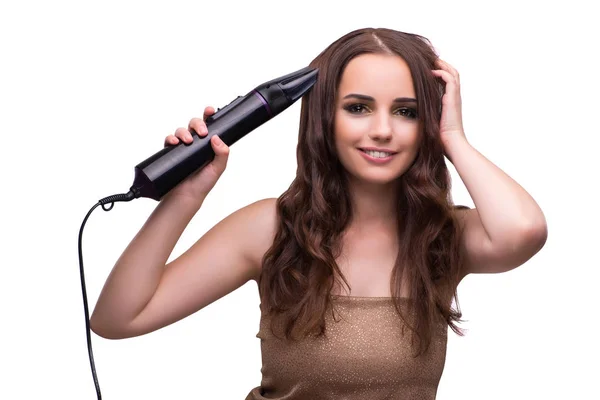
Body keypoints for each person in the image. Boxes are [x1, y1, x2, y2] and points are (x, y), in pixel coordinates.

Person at [90, 27, 548, 399]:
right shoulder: (269, 230)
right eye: (358, 108)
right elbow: (117, 319)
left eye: (406, 111)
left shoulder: (441, 238)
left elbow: (523, 230)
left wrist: (453, 137)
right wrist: (186, 195)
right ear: (324, 117)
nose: (383, 130)